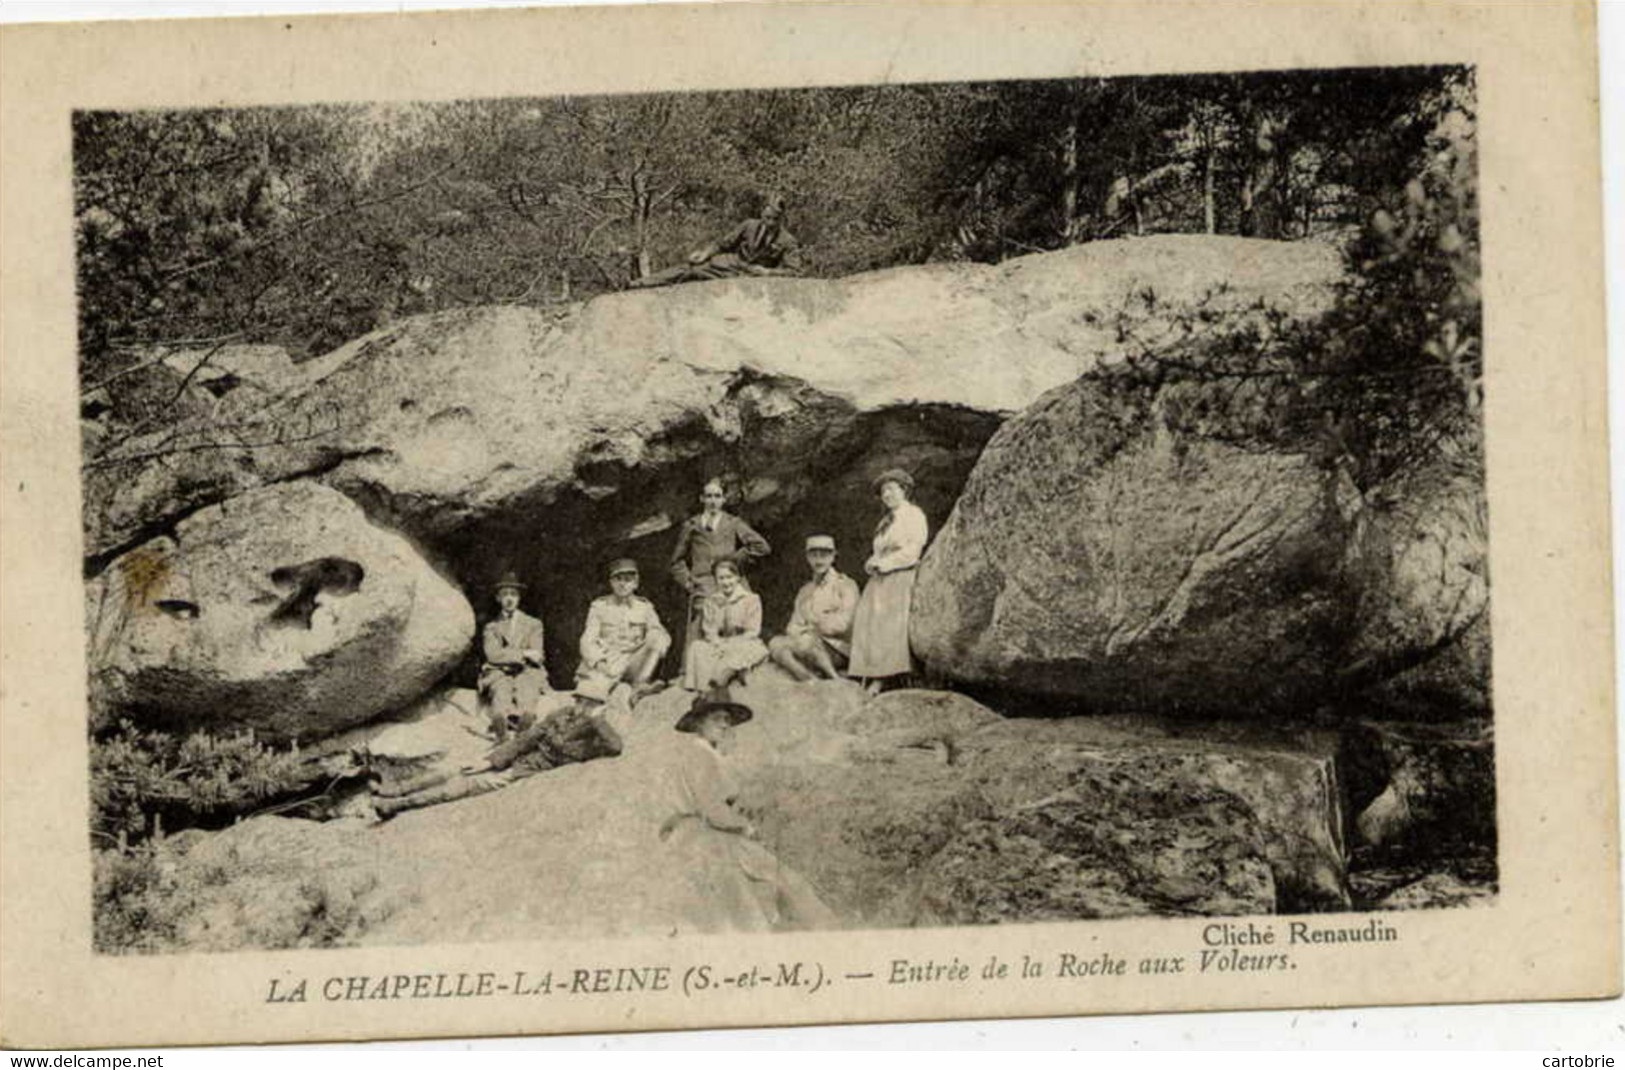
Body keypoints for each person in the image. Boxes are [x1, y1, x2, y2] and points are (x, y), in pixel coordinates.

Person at [658, 695, 839, 932]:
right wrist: (745, 827)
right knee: (771, 889)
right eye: (716, 719)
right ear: (698, 724)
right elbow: (711, 808)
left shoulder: (708, 756)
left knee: (764, 890)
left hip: (703, 833)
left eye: (727, 720)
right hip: (709, 836)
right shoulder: (700, 756)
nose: (724, 725)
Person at [372, 680, 623, 818]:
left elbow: (616, 747)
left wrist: (597, 718)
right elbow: (527, 738)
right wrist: (491, 761)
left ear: (596, 706)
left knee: (461, 787)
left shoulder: (595, 731)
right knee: (456, 769)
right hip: (514, 758)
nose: (579, 705)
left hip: (525, 772)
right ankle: (393, 790)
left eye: (587, 703)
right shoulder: (562, 714)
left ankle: (395, 806)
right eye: (579, 700)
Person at [848, 469, 930, 694]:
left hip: (900, 575)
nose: (887, 495)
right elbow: (880, 550)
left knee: (891, 624)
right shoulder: (886, 521)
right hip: (881, 577)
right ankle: (869, 672)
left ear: (904, 491)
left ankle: (887, 677)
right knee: (868, 620)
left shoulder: (914, 515)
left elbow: (913, 550)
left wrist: (885, 563)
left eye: (892, 489)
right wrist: (872, 561)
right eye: (884, 491)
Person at [670, 478, 769, 657]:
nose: (713, 501)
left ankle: (742, 661)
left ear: (724, 499)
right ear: (702, 499)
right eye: (709, 496)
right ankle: (694, 665)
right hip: (704, 580)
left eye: (717, 496)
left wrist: (735, 560)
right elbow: (676, 561)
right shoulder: (692, 525)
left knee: (745, 604)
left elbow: (761, 547)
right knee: (706, 606)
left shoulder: (733, 522)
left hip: (731, 577)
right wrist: (687, 581)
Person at [629, 193, 801, 290]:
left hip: (752, 277)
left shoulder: (787, 241)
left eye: (774, 219)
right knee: (690, 270)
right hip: (730, 266)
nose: (769, 223)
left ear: (781, 219)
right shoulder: (749, 225)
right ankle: (640, 284)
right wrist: (705, 253)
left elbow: (795, 272)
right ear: (762, 214)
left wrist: (767, 273)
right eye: (767, 217)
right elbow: (722, 244)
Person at [768, 534, 861, 682]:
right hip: (806, 643)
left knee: (807, 641)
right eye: (814, 555)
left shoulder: (846, 585)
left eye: (824, 555)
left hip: (838, 649)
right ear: (807, 557)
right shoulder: (805, 591)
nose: (818, 561)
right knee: (775, 643)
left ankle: (835, 678)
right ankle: (807, 677)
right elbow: (792, 625)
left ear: (833, 556)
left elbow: (844, 624)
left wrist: (814, 625)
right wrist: (801, 632)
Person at [577, 558, 671, 703]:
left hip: (633, 662)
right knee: (593, 697)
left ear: (635, 583)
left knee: (657, 638)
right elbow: (587, 639)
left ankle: (639, 687)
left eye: (627, 580)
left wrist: (657, 643)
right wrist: (599, 663)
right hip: (608, 662)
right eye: (618, 579)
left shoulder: (644, 607)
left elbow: (660, 633)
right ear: (611, 582)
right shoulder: (600, 606)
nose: (622, 584)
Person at [477, 571, 551, 741]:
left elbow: (538, 654)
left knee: (528, 686)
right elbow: (493, 655)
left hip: (527, 670)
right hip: (499, 671)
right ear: (498, 598)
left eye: (513, 594)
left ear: (519, 598)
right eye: (505, 594)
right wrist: (524, 653)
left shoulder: (533, 624)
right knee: (500, 688)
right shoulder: (492, 627)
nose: (509, 599)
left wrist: (512, 655)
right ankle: (501, 726)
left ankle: (525, 721)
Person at [682, 558, 768, 692]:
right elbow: (709, 629)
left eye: (729, 577)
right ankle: (707, 687)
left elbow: (753, 631)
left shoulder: (751, 599)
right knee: (697, 647)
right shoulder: (711, 601)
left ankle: (726, 675)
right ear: (716, 580)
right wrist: (717, 642)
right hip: (719, 643)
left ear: (737, 577)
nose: (726, 582)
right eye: (721, 578)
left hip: (743, 641)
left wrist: (730, 644)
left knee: (749, 650)